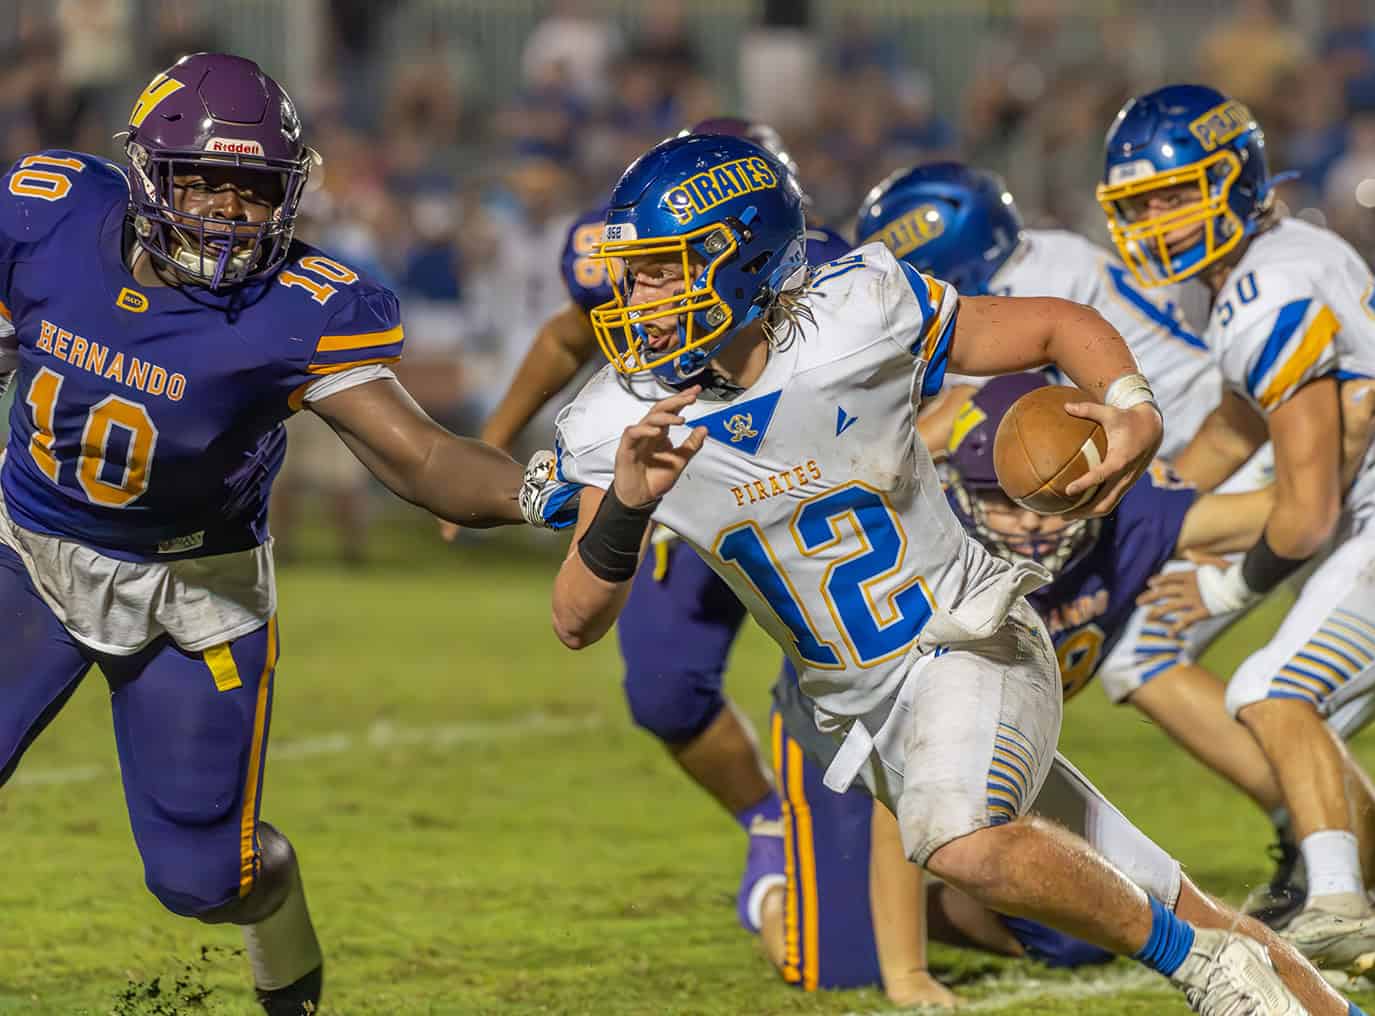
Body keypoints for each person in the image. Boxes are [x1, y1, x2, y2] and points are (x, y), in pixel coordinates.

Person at [548, 130, 1357, 1014]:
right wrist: (624, 504)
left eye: (659, 270)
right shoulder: (617, 414)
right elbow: (575, 617)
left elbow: (1055, 323)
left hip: (967, 638)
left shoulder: (855, 310)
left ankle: (1202, 972)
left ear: (736, 259)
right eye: (629, 274)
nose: (636, 298)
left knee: (963, 845)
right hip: (855, 712)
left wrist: (1131, 407)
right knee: (1159, 892)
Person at [0, 53, 564, 1016]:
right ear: (145, 175)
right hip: (28, 551)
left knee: (203, 879)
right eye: (203, 182)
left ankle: (283, 951)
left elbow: (420, 460)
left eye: (252, 190)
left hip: (196, 594)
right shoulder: (44, 214)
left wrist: (556, 493)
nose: (226, 212)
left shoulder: (296, 308)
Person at [758, 371, 1375, 1002]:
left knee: (1096, 919)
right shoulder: (941, 563)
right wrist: (907, 975)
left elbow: (1285, 514)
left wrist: (1342, 441)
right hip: (853, 737)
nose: (1026, 522)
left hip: (993, 739)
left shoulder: (1131, 517)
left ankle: (969, 896)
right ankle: (770, 882)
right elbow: (908, 780)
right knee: (834, 965)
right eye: (1000, 498)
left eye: (1046, 494)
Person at [852, 162, 1314, 924]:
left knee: (1148, 655)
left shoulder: (1036, 281)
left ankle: (1309, 828)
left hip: (1205, 448)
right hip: (1192, 444)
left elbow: (997, 412)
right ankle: (1310, 826)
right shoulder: (1048, 257)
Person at [461, 116, 852, 934]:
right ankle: (767, 821)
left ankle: (872, 854)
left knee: (848, 679)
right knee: (665, 690)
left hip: (811, 495)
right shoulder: (638, 249)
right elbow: (571, 333)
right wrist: (496, 440)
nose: (638, 293)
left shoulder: (832, 271)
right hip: (682, 481)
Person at [1098, 83, 1375, 976]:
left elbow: (1305, 514)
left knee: (1269, 692)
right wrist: (1149, 498)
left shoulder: (1266, 291)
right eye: (1140, 204)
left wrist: (1218, 585)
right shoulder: (1279, 253)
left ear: (1232, 179)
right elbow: (1235, 423)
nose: (1157, 222)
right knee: (1303, 720)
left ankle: (1337, 906)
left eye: (1174, 195)